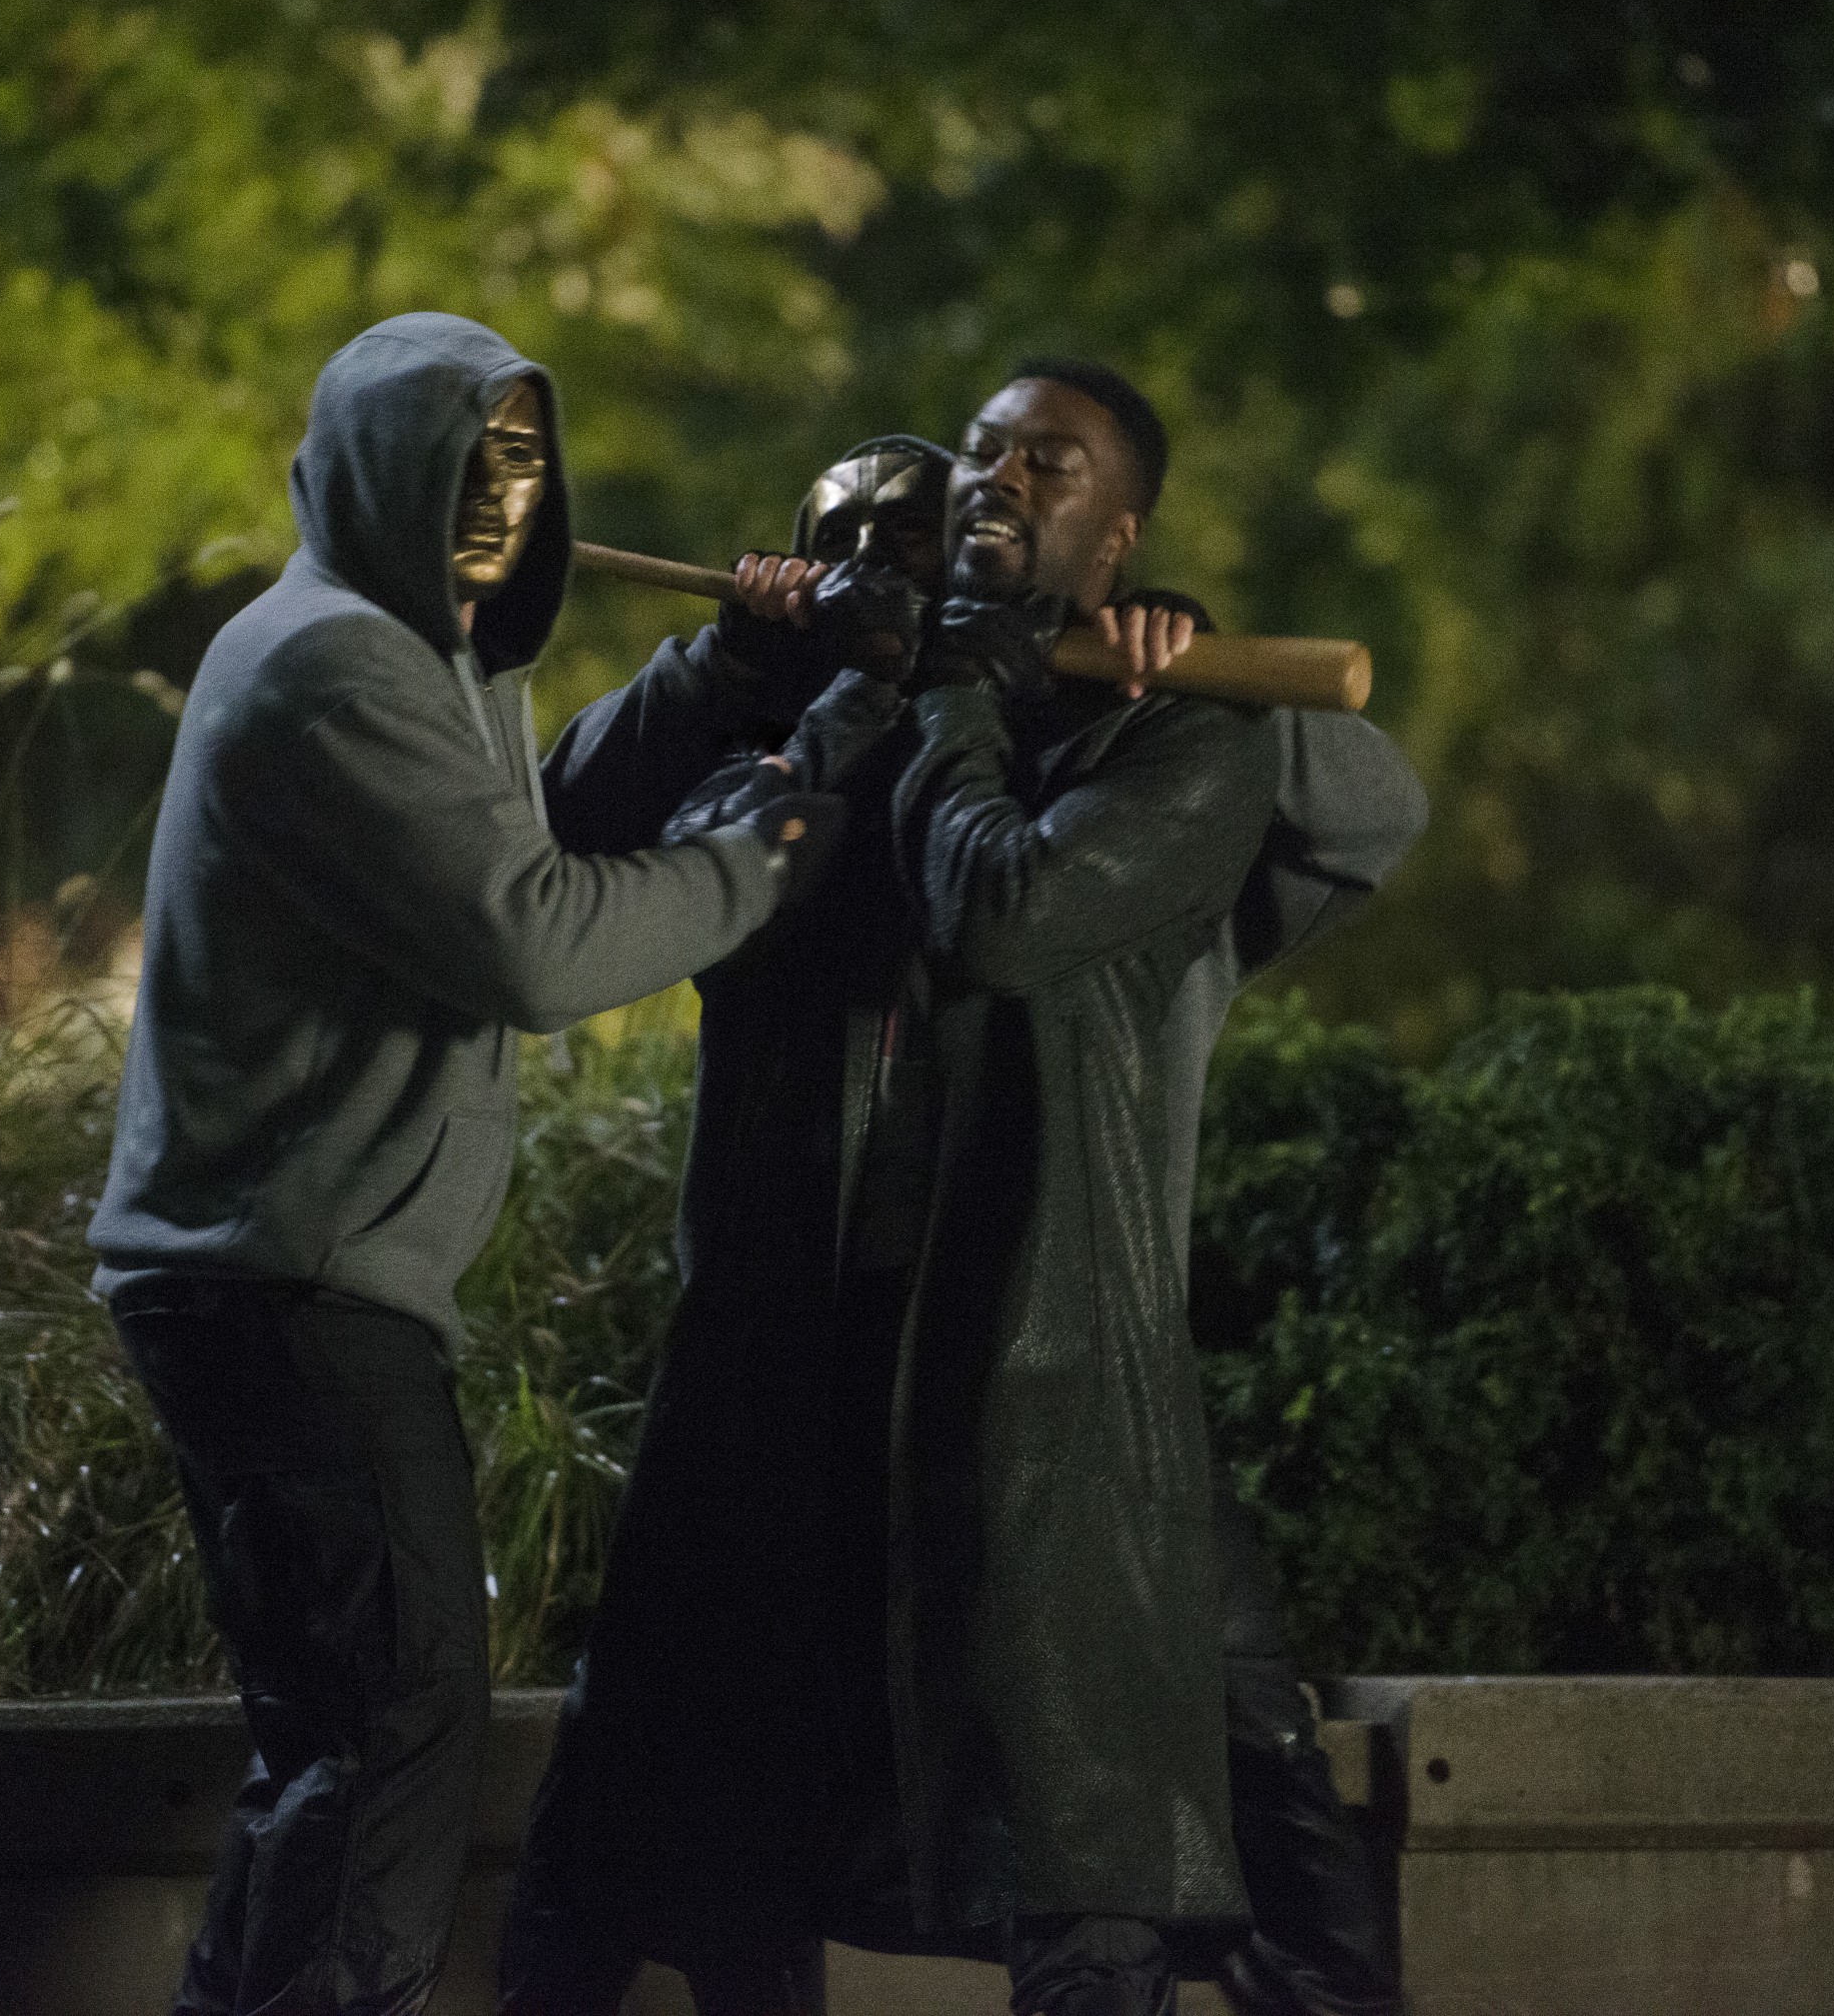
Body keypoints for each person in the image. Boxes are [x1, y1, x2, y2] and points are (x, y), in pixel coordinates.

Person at [514, 362, 1388, 2016]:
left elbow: (1038, 906)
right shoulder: (832, 722)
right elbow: (575, 832)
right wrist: (741, 667)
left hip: (1051, 1339)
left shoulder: (1151, 729)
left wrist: (1039, 679)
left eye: (1046, 463)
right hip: (800, 1345)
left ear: (1119, 536)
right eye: (981, 453)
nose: (999, 480)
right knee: (684, 1800)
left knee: (1129, 1788)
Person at [87, 312, 832, 2016]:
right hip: (295, 1281)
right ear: (371, 473)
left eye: (526, 459)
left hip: (268, 1271)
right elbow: (532, 938)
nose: (505, 493)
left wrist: (716, 679)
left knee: (337, 1745)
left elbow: (529, 826)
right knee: (399, 1727)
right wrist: (767, 856)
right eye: (465, 459)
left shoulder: (425, 660)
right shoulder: (333, 666)